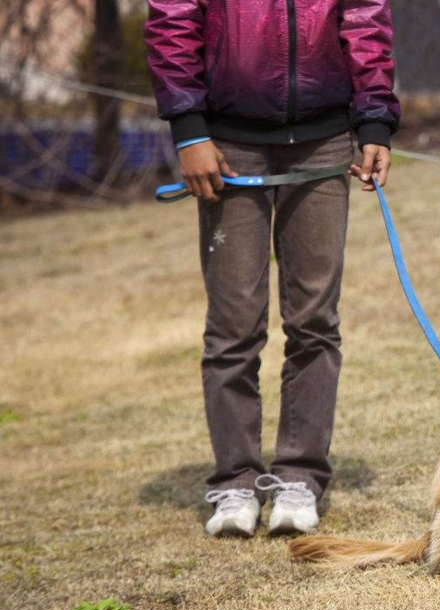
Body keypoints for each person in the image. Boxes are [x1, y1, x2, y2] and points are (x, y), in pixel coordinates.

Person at [144, 0, 399, 536]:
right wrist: (189, 130)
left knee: (314, 321)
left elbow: (365, 19)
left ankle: (299, 476)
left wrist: (374, 117)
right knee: (234, 325)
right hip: (227, 143)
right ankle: (234, 482)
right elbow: (173, 20)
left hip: (323, 141)